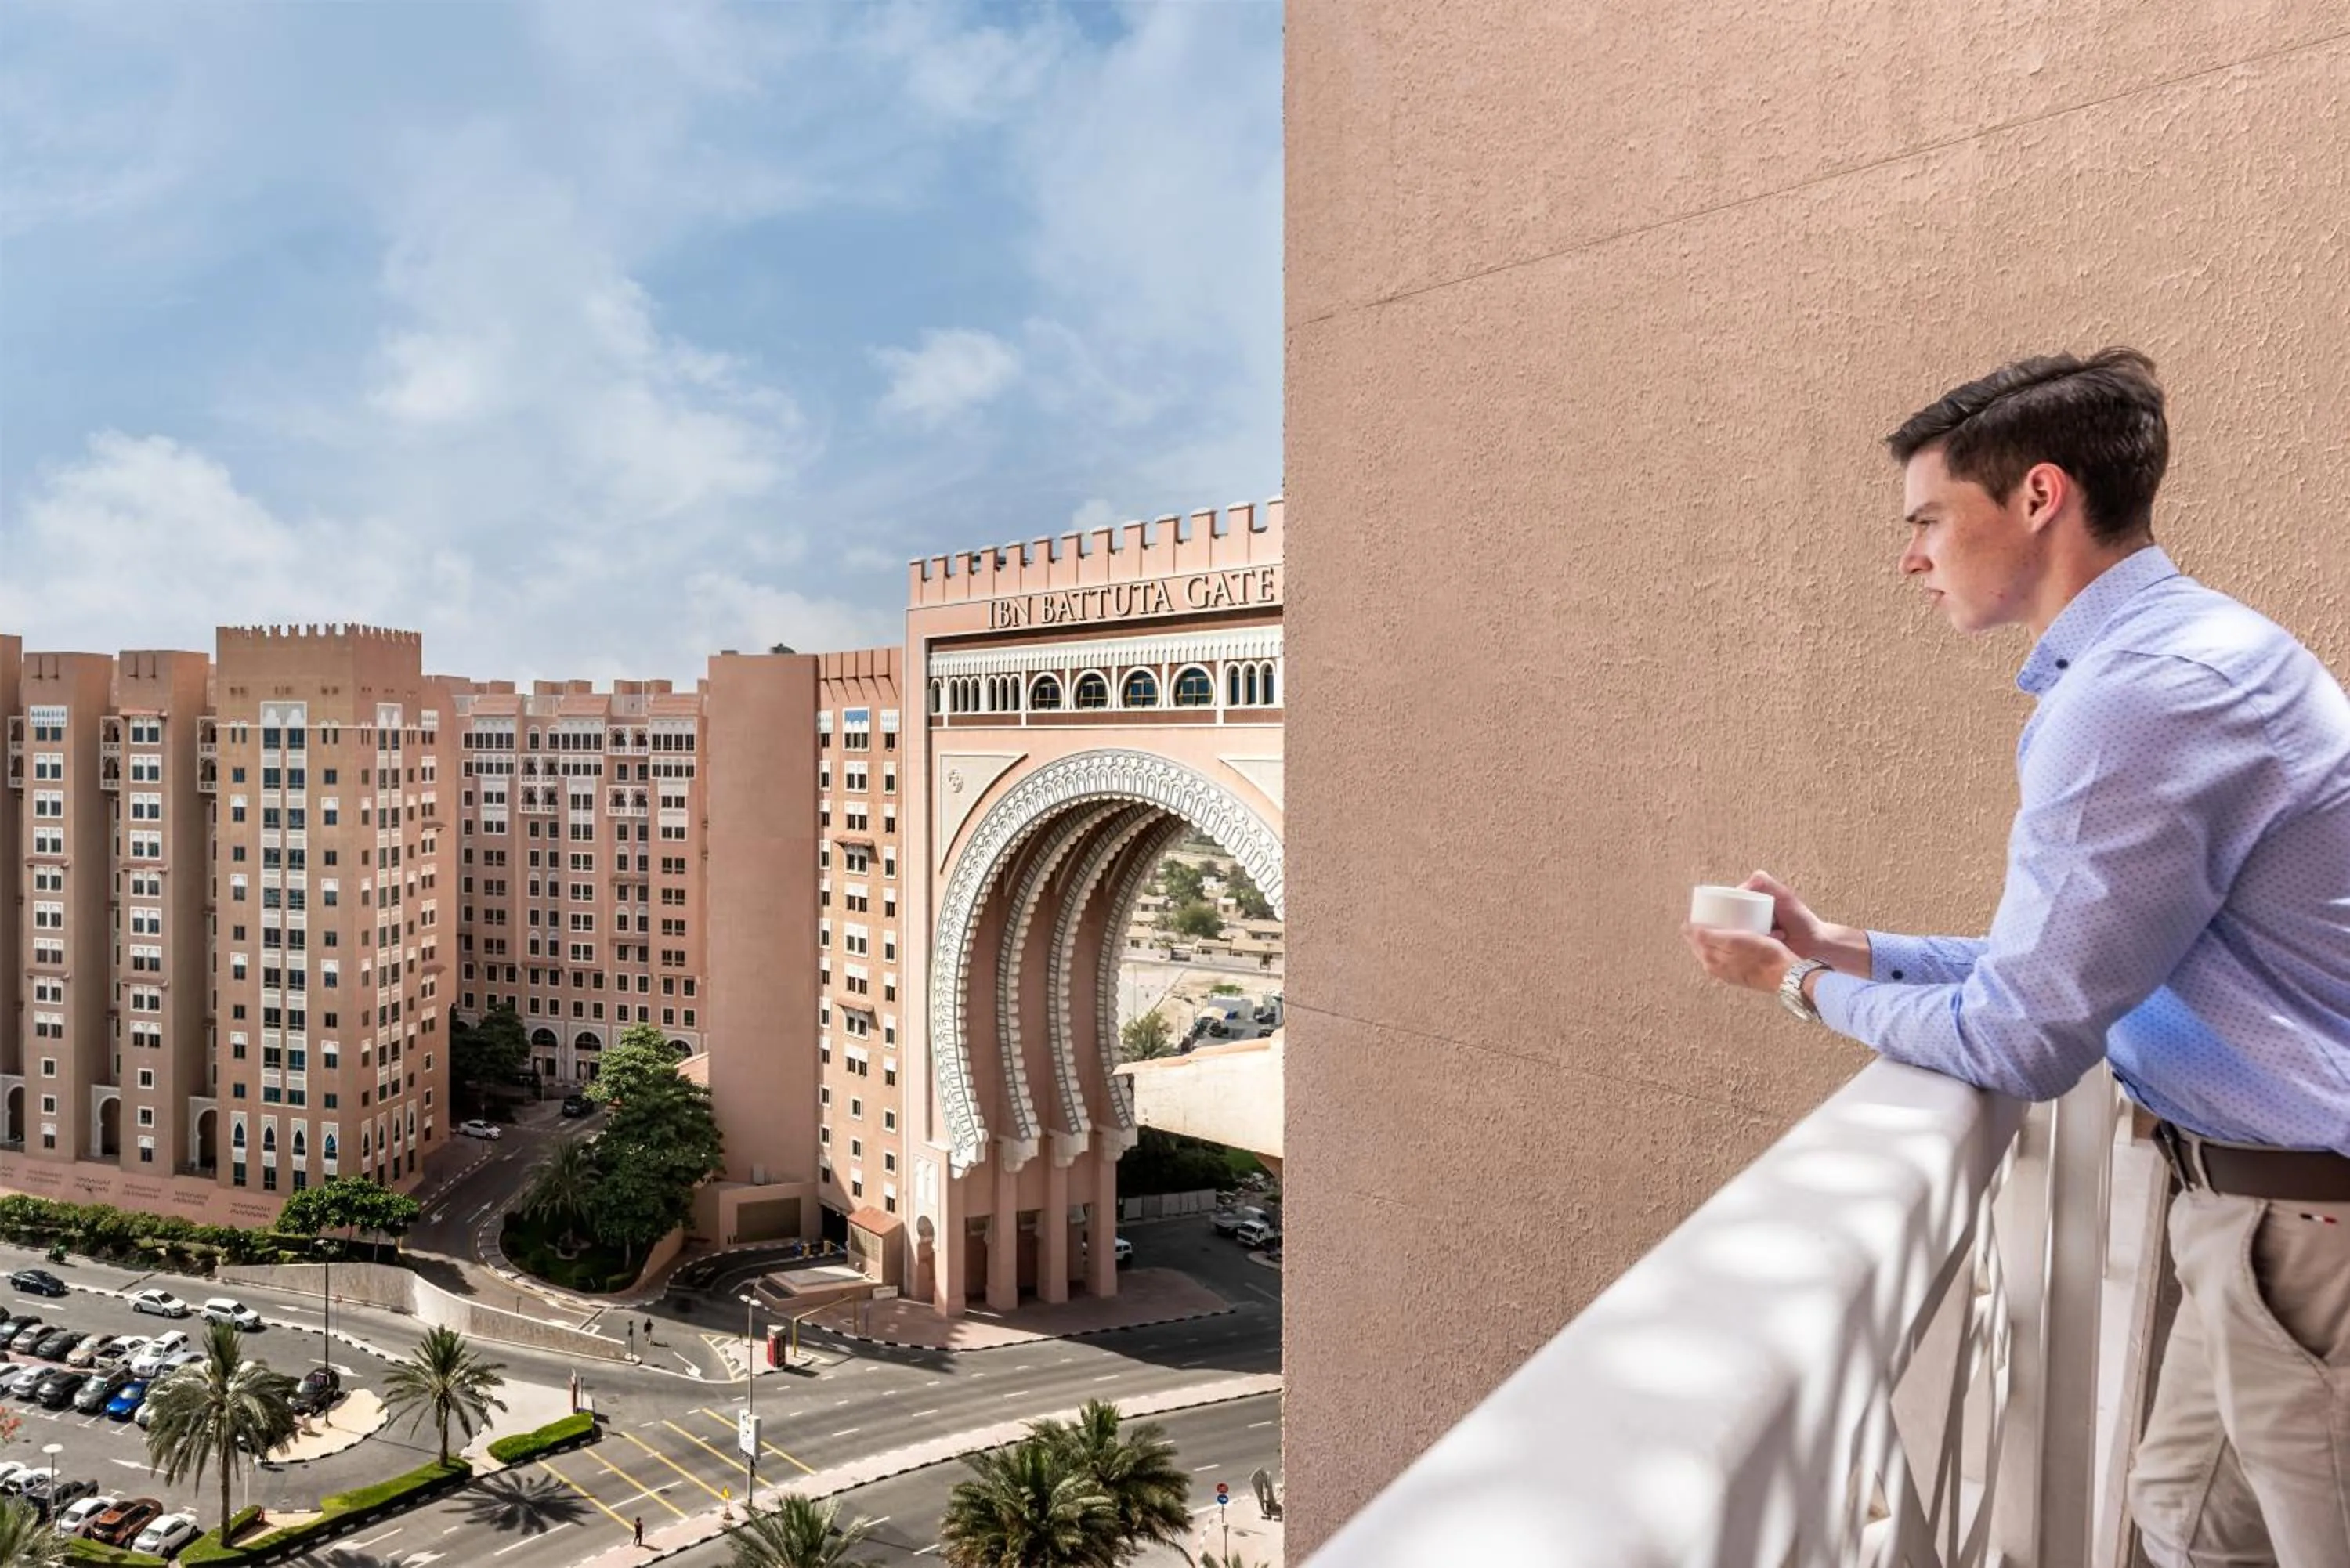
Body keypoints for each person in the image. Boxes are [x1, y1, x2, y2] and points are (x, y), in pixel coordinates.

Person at [1683, 348, 2350, 1568]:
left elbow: (2023, 1034)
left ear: (2039, 497)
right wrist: (1848, 945)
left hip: (2308, 1229)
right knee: (2189, 1524)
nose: (1911, 556)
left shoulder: (2135, 700)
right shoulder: (2193, 653)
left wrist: (1792, 986)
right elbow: (2082, 958)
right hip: (2262, 1215)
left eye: (1930, 518)